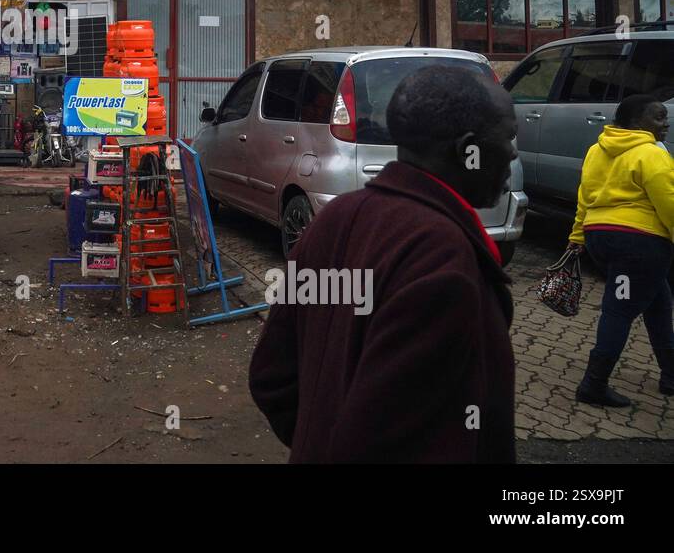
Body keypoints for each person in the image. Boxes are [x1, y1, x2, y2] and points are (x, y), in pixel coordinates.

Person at [249, 65, 518, 463]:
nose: (513, 152)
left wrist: (317, 439)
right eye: (508, 138)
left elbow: (272, 376)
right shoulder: (444, 260)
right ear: (469, 151)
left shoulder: (337, 219)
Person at [569, 93, 674, 407]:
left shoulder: (595, 151)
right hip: (640, 244)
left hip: (601, 238)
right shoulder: (651, 153)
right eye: (657, 117)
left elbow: (585, 197)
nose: (665, 123)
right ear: (634, 121)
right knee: (619, 310)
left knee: (659, 302)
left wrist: (577, 238)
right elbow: (668, 202)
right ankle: (593, 385)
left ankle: (670, 375)